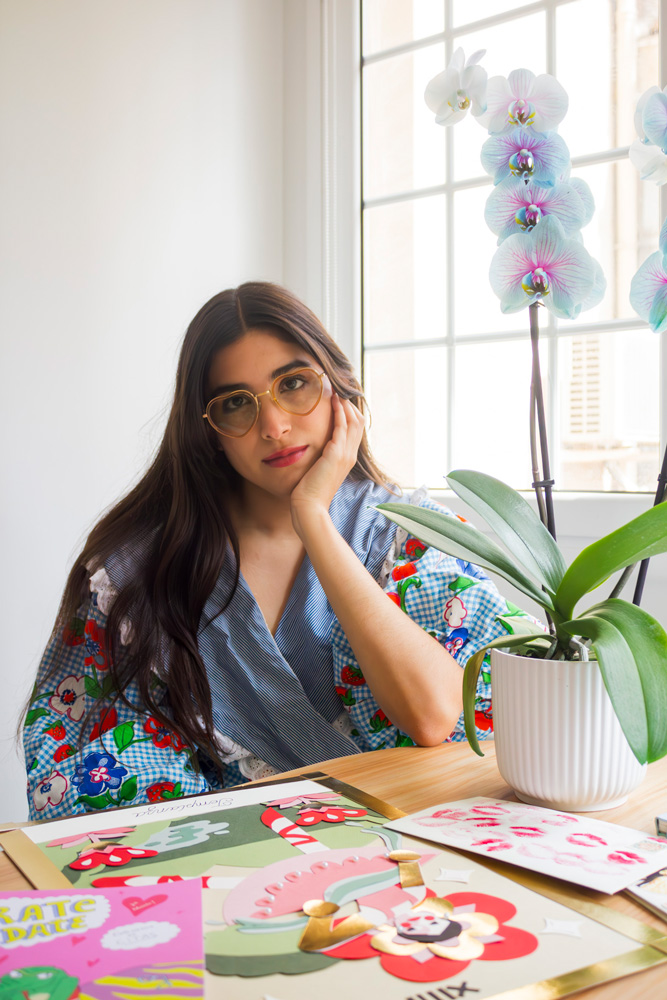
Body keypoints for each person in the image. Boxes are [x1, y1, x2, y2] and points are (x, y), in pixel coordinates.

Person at [23, 282, 532, 819]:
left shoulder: (402, 537)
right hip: (221, 874)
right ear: (209, 430)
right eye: (236, 403)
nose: (274, 426)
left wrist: (314, 519)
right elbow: (95, 794)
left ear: (339, 388)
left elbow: (437, 717)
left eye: (293, 384)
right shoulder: (135, 575)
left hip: (419, 854)